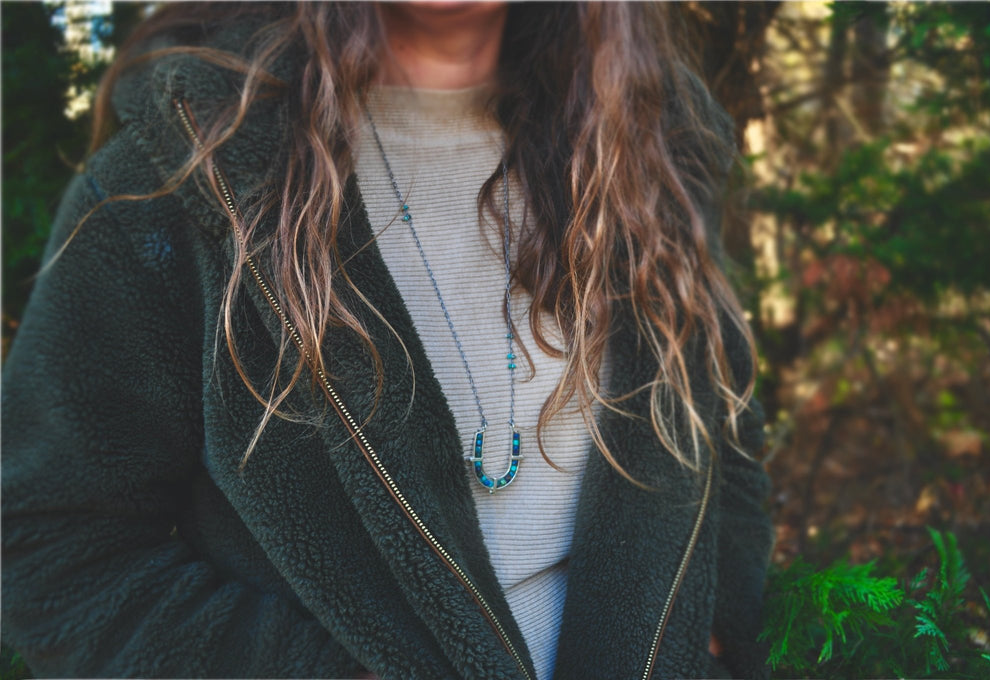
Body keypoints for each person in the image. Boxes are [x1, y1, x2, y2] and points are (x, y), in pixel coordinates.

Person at [1, 3, 774, 679]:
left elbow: (721, 435)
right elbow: (50, 543)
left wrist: (710, 638)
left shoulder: (654, 146)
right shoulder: (183, 171)